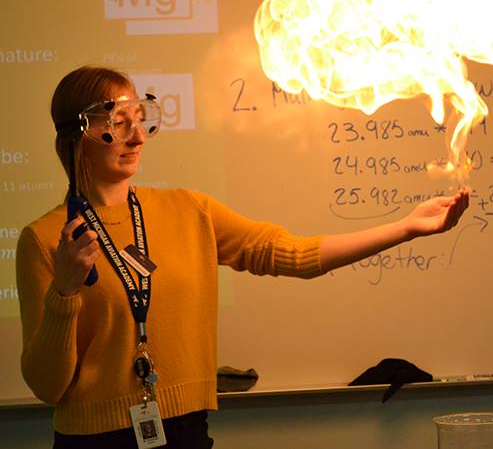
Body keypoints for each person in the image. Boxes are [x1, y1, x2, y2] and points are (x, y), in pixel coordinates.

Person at [16, 66, 469, 449]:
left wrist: (406, 228)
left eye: (142, 118)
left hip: (187, 430)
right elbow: (48, 385)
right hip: (95, 441)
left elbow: (292, 254)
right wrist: (65, 290)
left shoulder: (189, 210)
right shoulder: (42, 239)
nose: (137, 136)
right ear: (79, 129)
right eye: (119, 121)